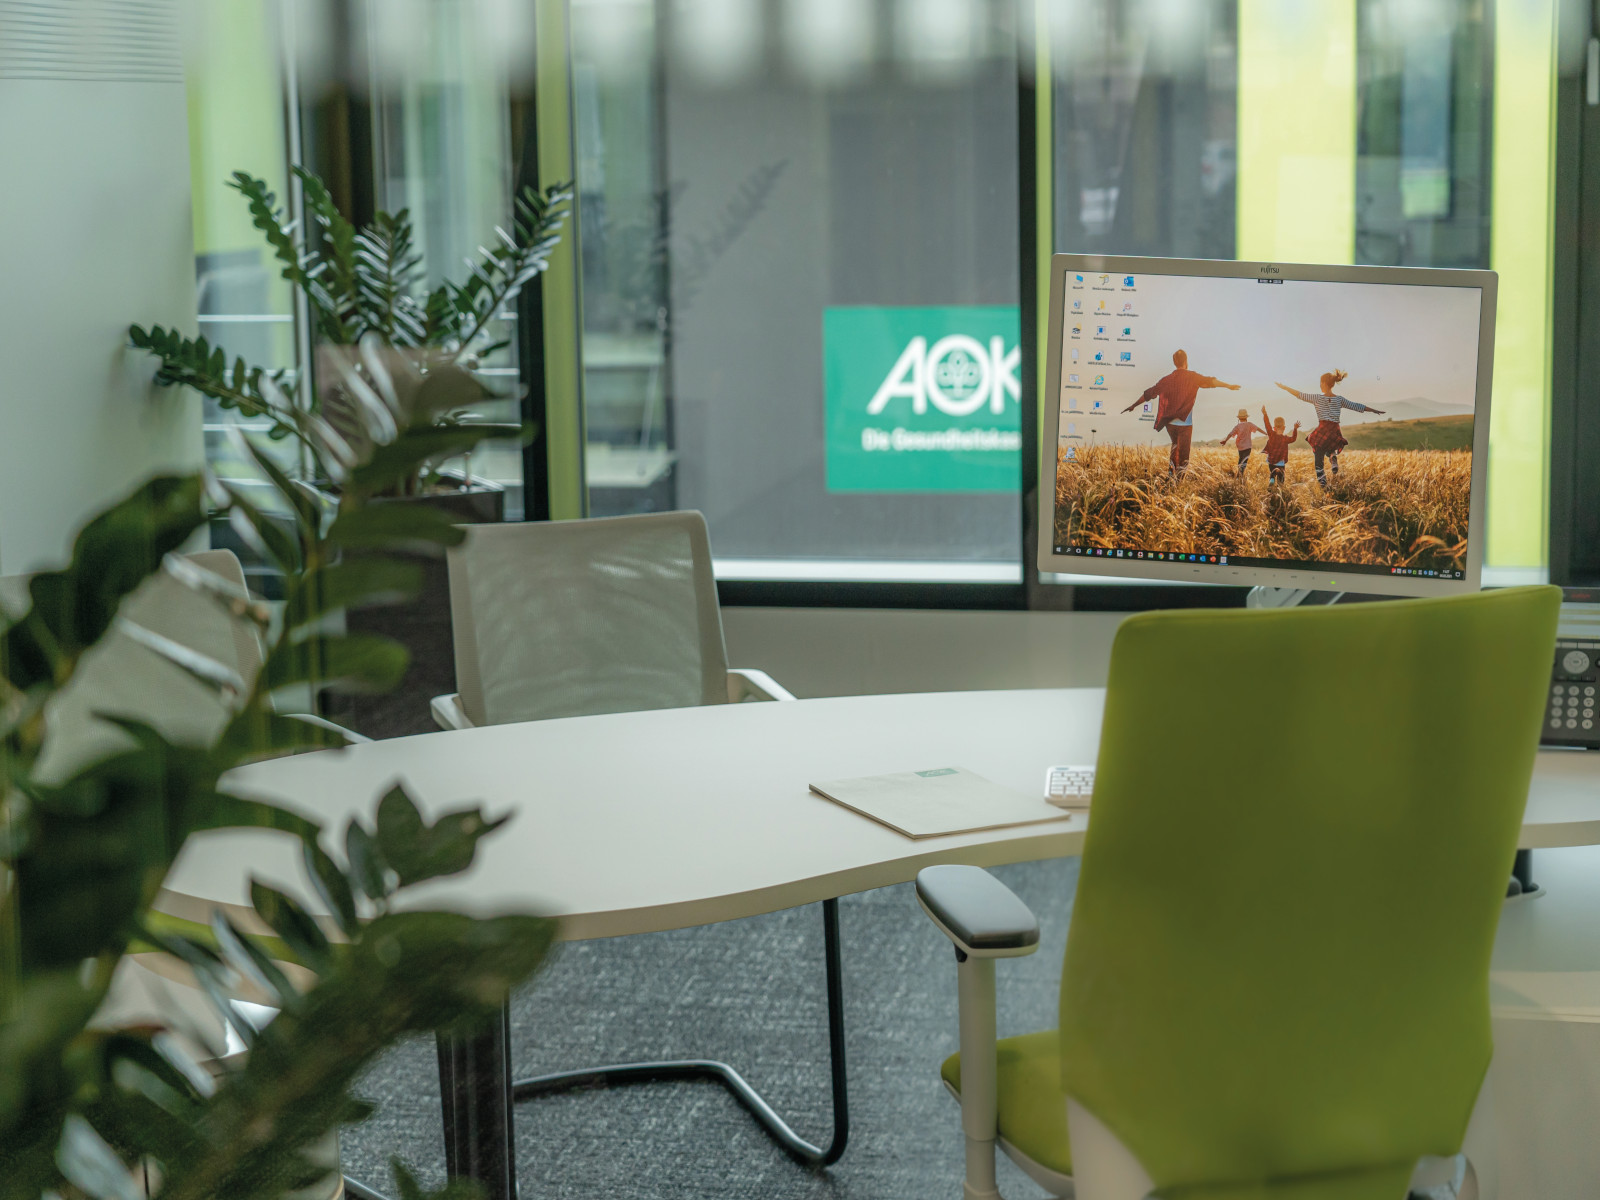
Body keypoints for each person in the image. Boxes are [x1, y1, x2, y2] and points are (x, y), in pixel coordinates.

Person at [1123, 349, 1241, 476]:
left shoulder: (1166, 380)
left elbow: (1149, 394)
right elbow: (1210, 381)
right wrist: (1228, 386)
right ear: (1186, 361)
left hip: (1170, 424)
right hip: (1185, 424)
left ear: (1175, 362)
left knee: (1175, 449)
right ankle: (1177, 482)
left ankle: (1171, 476)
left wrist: (1134, 405)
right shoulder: (1192, 377)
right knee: (1184, 456)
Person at [1274, 371, 1384, 490]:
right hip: (1334, 429)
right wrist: (1373, 410)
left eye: (1320, 382)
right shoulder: (1339, 399)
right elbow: (1356, 406)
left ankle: (1323, 485)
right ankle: (1332, 456)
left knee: (1318, 458)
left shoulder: (1317, 398)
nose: (1319, 385)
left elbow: (1299, 395)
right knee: (1331, 448)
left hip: (1323, 428)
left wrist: (1285, 388)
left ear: (1324, 383)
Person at [1220, 408, 1266, 477]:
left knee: (1241, 459)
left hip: (1240, 447)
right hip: (1247, 446)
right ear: (1246, 417)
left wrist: (1225, 441)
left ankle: (1238, 475)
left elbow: (1230, 434)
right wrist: (1266, 433)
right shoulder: (1249, 424)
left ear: (1239, 418)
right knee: (1244, 461)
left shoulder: (1237, 426)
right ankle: (1240, 475)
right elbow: (1258, 429)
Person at [1259, 405, 1299, 485]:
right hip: (1281, 462)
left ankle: (1272, 479)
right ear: (1284, 428)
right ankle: (1280, 487)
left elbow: (1267, 425)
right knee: (1281, 477)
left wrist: (1265, 414)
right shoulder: (1285, 439)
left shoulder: (1271, 434)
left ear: (1274, 428)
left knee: (1273, 472)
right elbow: (1293, 439)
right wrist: (1295, 429)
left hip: (1271, 461)